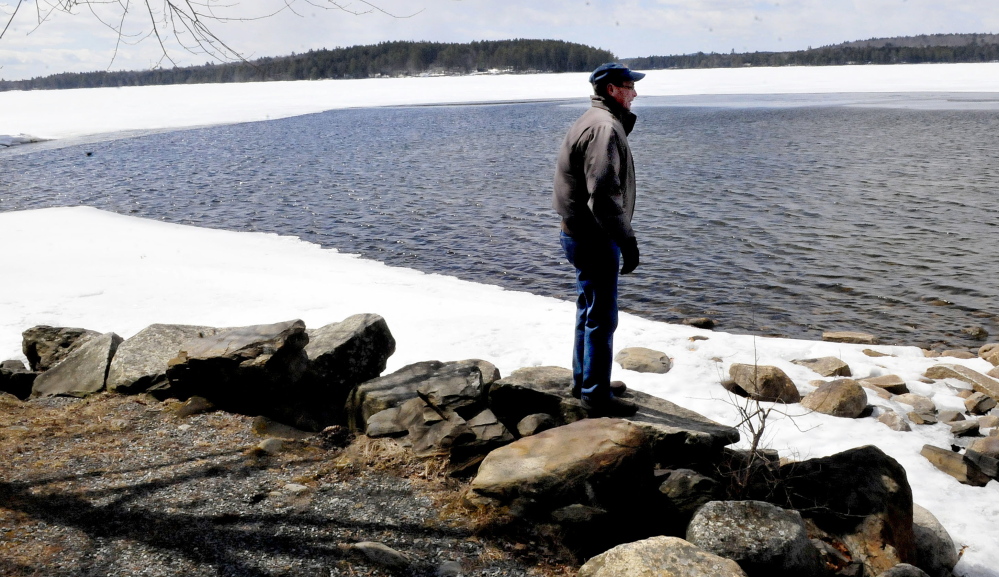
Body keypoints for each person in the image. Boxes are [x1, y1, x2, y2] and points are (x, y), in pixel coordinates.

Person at [552, 62, 644, 417]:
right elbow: (604, 195)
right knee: (602, 316)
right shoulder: (604, 128)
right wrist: (627, 241)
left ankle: (587, 380)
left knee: (588, 308)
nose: (634, 92)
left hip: (578, 233)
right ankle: (595, 395)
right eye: (628, 86)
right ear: (610, 90)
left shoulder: (593, 120)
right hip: (593, 237)